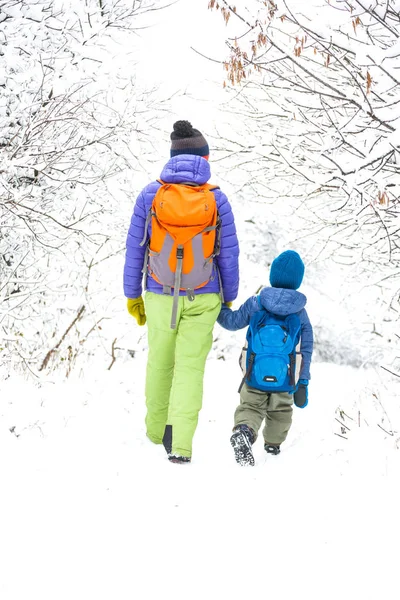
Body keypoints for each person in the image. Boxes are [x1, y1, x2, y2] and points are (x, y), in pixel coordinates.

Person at [123, 120, 239, 464]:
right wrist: (227, 295)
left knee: (159, 362)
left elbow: (134, 250)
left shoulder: (150, 195)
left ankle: (155, 433)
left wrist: (133, 295)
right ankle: (181, 446)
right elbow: (228, 254)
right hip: (205, 294)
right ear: (204, 159)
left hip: (159, 293)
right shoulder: (217, 198)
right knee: (190, 368)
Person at [217, 250, 313, 466]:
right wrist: (303, 381)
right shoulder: (300, 312)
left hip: (254, 372)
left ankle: (245, 431)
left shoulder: (257, 303)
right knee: (281, 411)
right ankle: (272, 446)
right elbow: (306, 349)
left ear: (273, 276)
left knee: (250, 406)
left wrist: (218, 307)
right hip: (286, 379)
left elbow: (232, 322)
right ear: (298, 280)